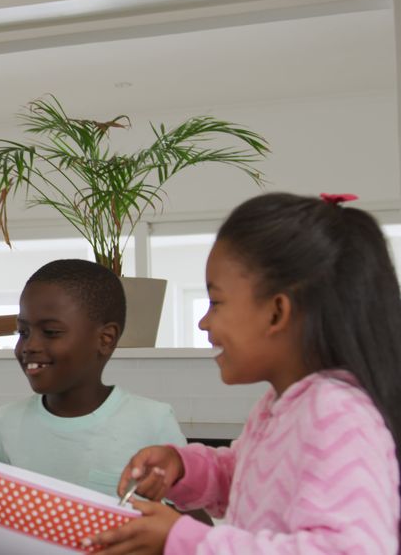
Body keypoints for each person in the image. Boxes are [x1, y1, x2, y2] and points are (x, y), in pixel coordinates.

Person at [91, 192, 401, 554]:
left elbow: (348, 549)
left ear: (276, 312)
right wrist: (182, 466)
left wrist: (186, 541)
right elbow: (245, 477)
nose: (204, 321)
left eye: (216, 301)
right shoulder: (282, 405)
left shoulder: (336, 413)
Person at [0, 259, 188, 554]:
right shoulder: (7, 422)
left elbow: (189, 527)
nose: (29, 346)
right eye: (23, 332)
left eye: (50, 332)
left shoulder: (152, 421)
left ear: (105, 339)